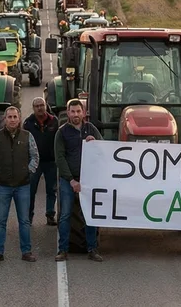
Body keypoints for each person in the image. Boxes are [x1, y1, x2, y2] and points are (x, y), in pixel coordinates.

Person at [0, 106, 40, 263]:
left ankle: (26, 251)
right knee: (1, 220)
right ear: (5, 119)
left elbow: (35, 156)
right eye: (9, 117)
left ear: (19, 118)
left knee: (24, 220)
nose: (12, 120)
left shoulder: (27, 136)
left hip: (22, 185)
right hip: (2, 186)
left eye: (15, 117)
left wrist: (28, 171)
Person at [55, 99, 102, 262]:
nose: (76, 115)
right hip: (69, 181)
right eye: (72, 112)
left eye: (78, 111)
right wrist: (71, 180)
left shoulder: (91, 129)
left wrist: (95, 143)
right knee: (66, 215)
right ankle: (63, 249)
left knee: (89, 215)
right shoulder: (62, 132)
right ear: (68, 113)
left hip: (88, 180)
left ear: (83, 113)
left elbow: (103, 150)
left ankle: (92, 248)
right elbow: (60, 158)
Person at [24, 98, 59, 227]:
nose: (40, 108)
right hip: (34, 162)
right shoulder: (28, 123)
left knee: (51, 189)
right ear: (33, 108)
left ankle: (50, 215)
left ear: (46, 106)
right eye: (37, 106)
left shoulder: (54, 122)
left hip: (51, 161)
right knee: (31, 190)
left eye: (42, 105)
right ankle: (28, 217)